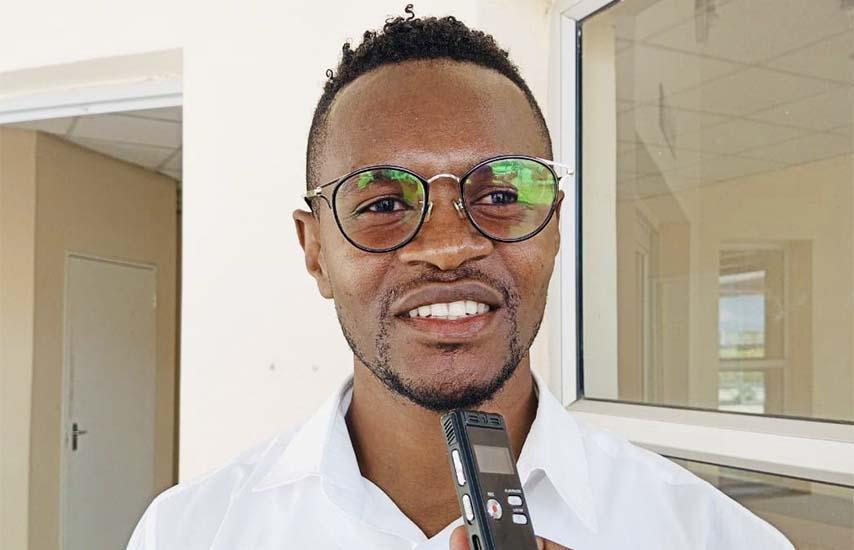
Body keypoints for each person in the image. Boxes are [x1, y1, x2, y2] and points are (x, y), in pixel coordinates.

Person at [128, 9, 793, 550]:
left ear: (554, 229)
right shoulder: (187, 534)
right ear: (315, 252)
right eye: (382, 205)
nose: (448, 248)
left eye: (501, 196)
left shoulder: (713, 537)